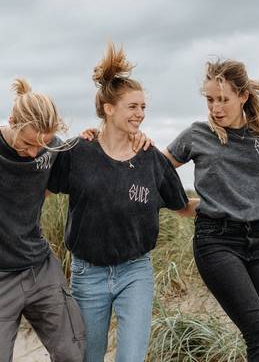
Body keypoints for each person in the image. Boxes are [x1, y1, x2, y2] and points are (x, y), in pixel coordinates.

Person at [47, 43, 198, 362]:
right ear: (108, 108)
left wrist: (225, 207)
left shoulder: (150, 158)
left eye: (143, 107)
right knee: (90, 356)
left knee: (131, 358)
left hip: (135, 271)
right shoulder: (78, 151)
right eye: (132, 107)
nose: (140, 114)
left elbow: (182, 205)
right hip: (88, 272)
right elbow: (42, 191)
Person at [164, 59, 259, 362]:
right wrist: (181, 204)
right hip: (216, 243)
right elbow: (156, 171)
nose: (216, 108)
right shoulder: (198, 134)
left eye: (223, 99)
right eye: (211, 100)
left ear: (243, 96)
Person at [0, 78, 85, 362]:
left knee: (72, 353)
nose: (35, 153)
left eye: (43, 144)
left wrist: (95, 135)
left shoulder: (51, 149)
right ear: (12, 121)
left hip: (40, 268)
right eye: (28, 143)